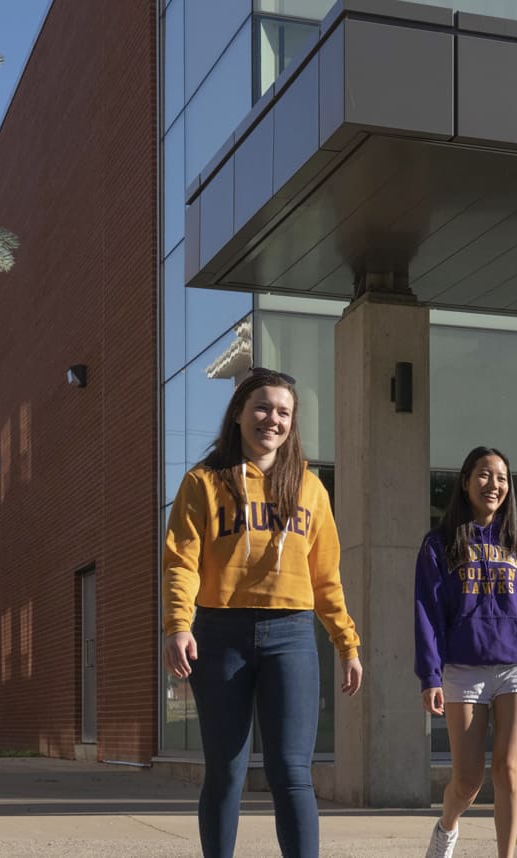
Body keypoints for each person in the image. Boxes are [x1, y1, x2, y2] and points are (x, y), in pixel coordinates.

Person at [162, 367, 362, 858]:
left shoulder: (311, 489)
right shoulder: (202, 483)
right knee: (226, 769)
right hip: (219, 632)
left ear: (291, 424)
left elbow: (326, 576)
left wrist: (346, 642)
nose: (272, 419)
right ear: (238, 414)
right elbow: (181, 562)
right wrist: (178, 625)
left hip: (291, 635)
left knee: (291, 771)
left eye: (283, 412)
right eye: (262, 408)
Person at [414, 446, 517, 858]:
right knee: (468, 781)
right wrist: (430, 675)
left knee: (508, 769)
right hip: (463, 669)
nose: (493, 484)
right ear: (465, 482)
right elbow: (427, 611)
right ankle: (447, 827)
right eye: (483, 475)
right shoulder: (438, 544)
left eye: (501, 478)